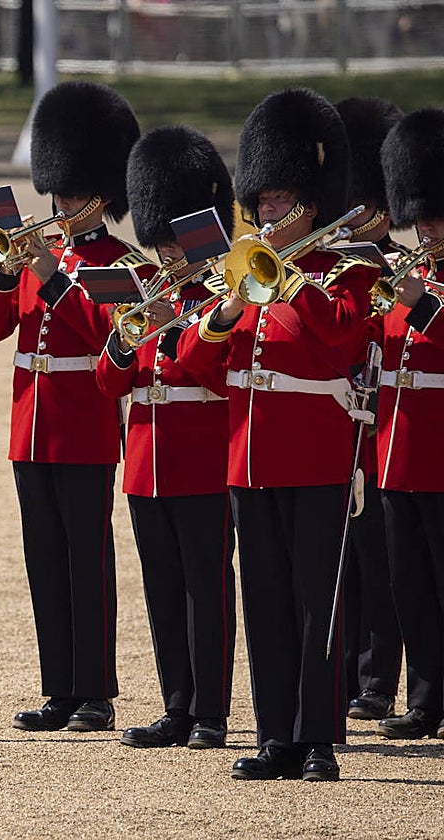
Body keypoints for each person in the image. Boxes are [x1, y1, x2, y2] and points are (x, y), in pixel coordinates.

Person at [177, 88, 382, 782]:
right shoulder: (243, 272)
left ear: (309, 204)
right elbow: (193, 366)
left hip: (317, 453)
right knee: (263, 599)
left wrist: (290, 283)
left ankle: (319, 737)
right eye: (259, 203)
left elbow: (344, 344)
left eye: (277, 202)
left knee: (313, 602)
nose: (265, 214)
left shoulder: (349, 270)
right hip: (250, 456)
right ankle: (275, 738)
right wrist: (229, 311)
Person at [0, 81, 143, 733]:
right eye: (57, 192)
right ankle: (59, 689)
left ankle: (95, 690)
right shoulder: (36, 256)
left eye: (72, 194)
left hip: (85, 426)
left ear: (101, 196)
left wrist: (52, 277)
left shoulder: (121, 264)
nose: (61, 204)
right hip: (30, 426)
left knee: (86, 557)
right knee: (44, 558)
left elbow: (108, 335)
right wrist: (7, 272)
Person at [96, 125, 237, 750]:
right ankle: (175, 706)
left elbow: (207, 370)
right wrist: (125, 338)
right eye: (159, 244)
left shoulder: (221, 297)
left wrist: (170, 328)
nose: (164, 254)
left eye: (171, 243)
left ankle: (211, 711)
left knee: (207, 588)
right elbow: (109, 382)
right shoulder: (148, 294)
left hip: (203, 458)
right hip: (147, 461)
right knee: (161, 590)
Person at [333, 96, 408, 723]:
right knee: (344, 558)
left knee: (381, 559)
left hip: (385, 430)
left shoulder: (392, 272)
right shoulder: (332, 270)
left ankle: (378, 676)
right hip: (338, 426)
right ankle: (351, 669)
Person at [374, 107, 444, 741]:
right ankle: (425, 702)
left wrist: (420, 307)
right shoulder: (410, 274)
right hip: (397, 448)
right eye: (420, 216)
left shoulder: (423, 287)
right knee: (412, 584)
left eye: (436, 215)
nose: (427, 228)